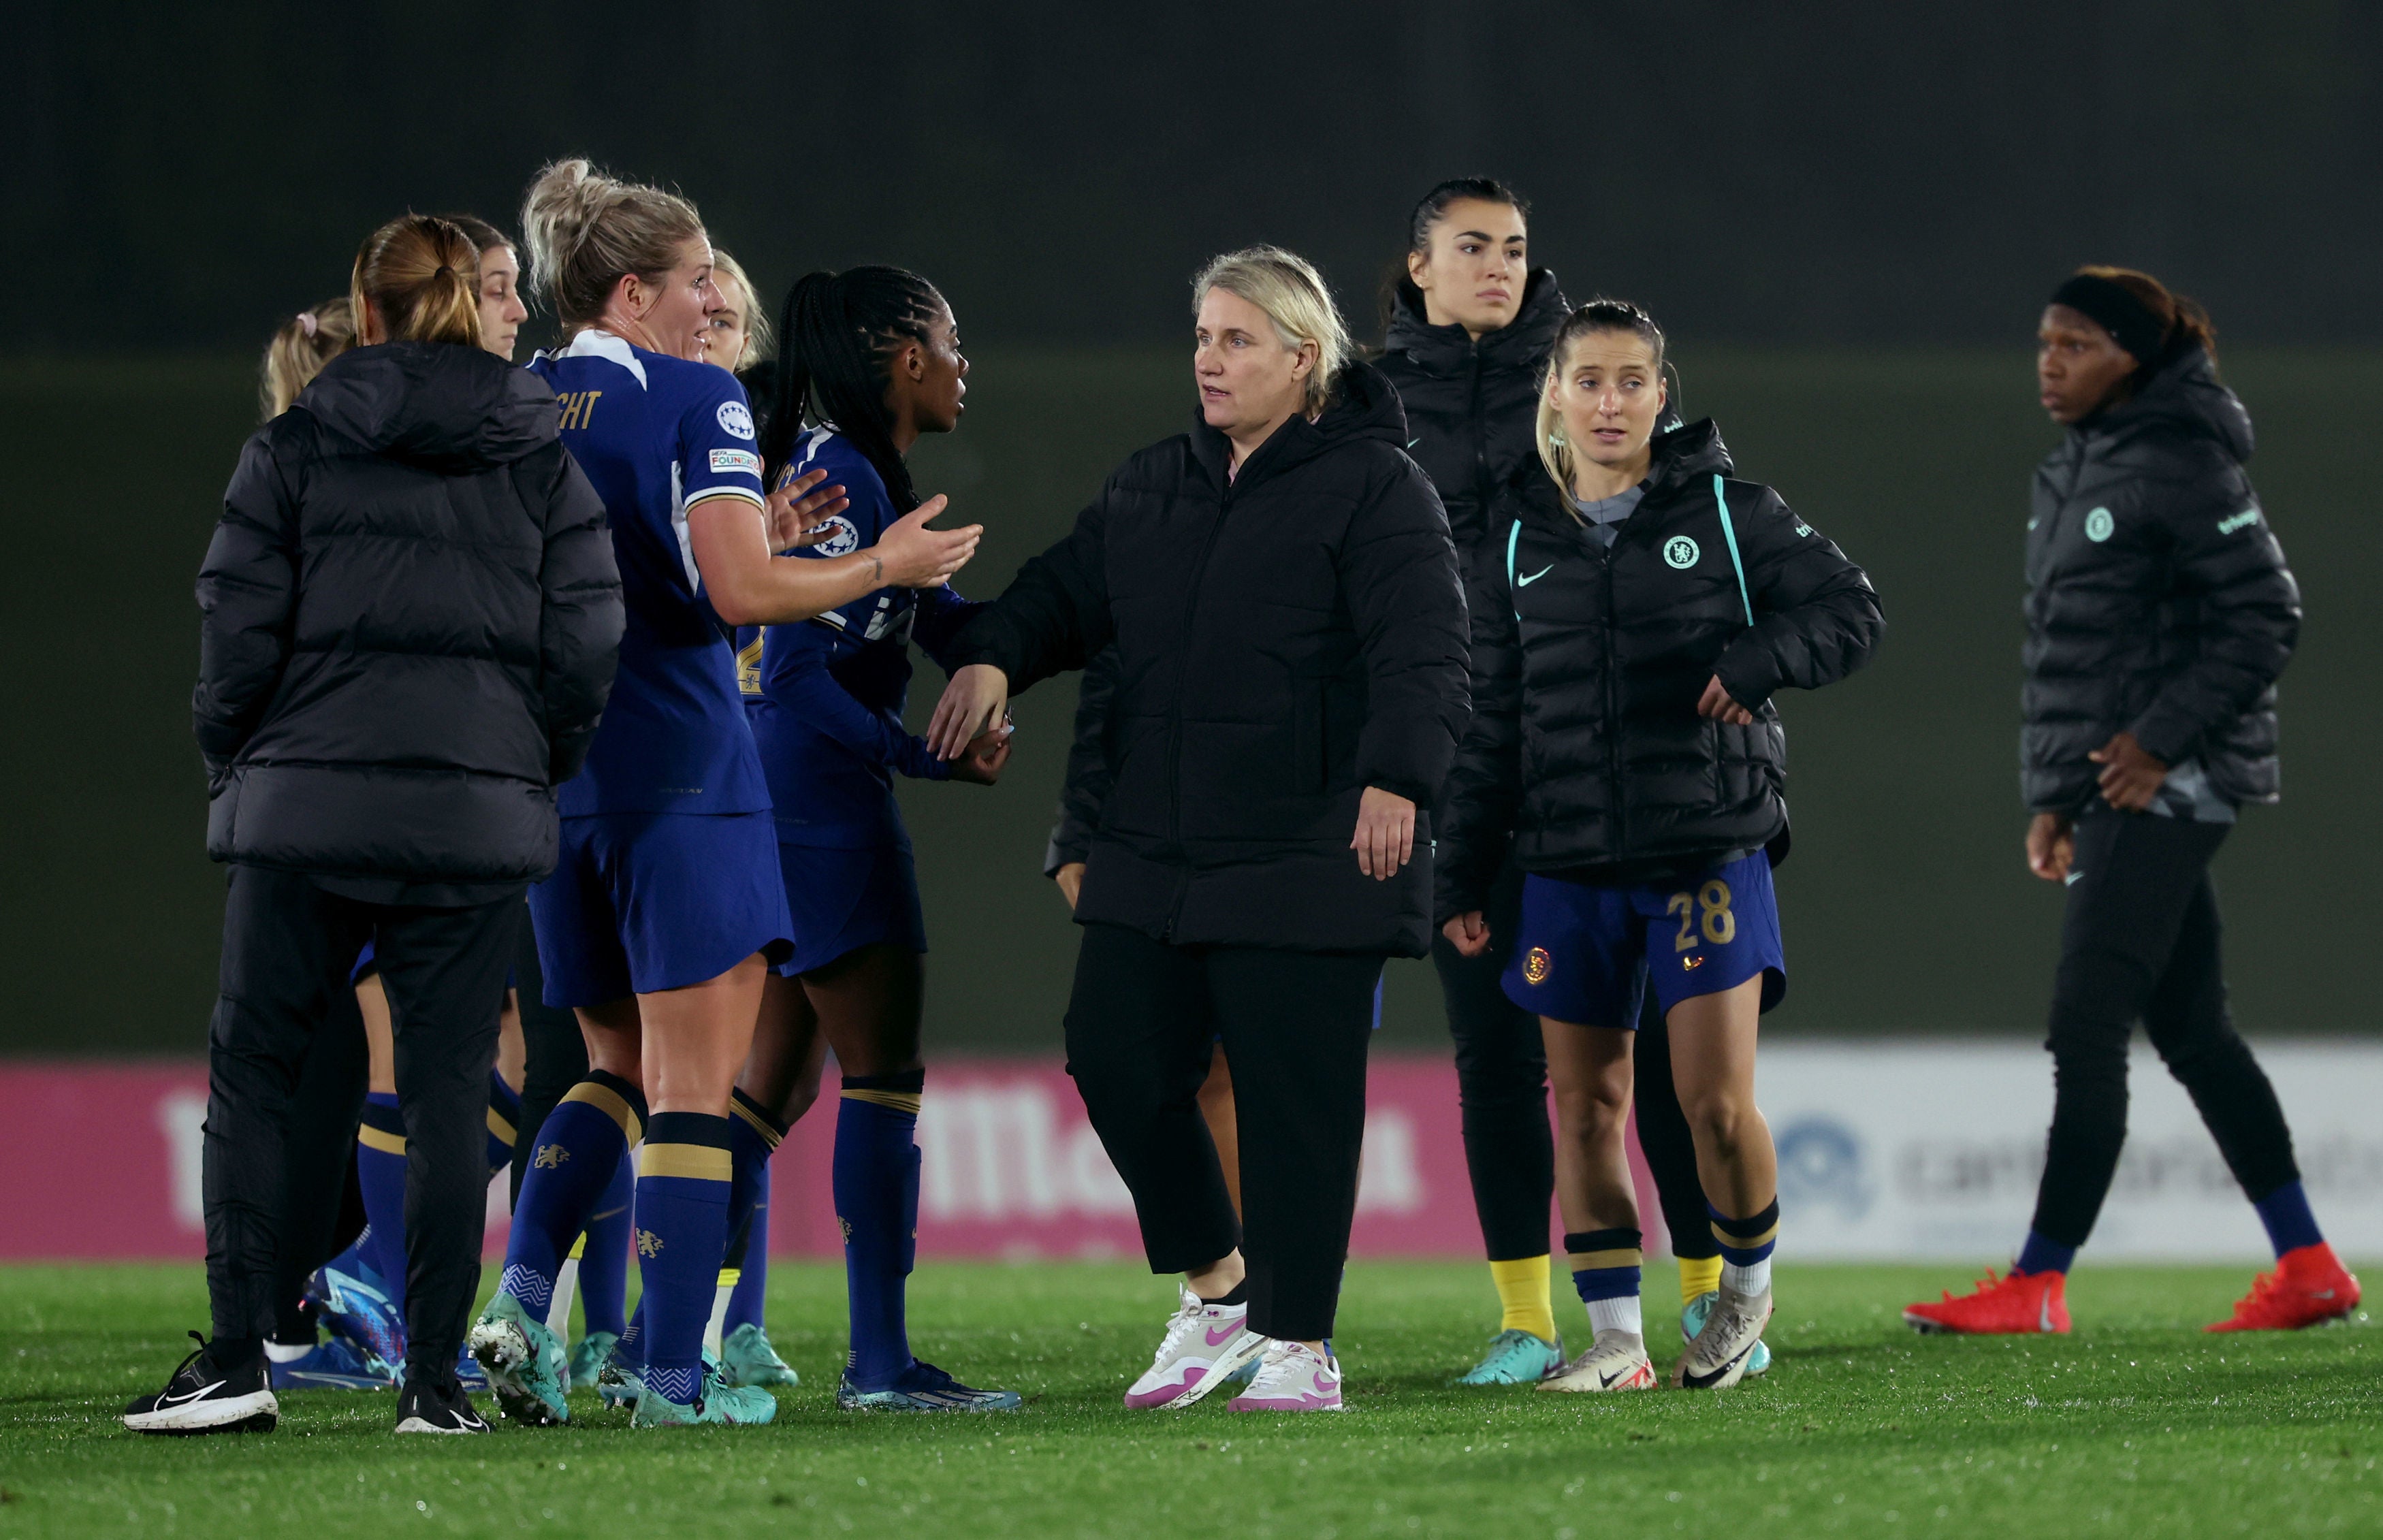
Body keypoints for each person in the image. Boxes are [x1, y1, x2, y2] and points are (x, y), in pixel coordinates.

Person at [468, 159, 980, 1432]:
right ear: (634, 290)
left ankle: (524, 1298)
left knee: (612, 1062)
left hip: (557, 791)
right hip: (686, 776)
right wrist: (884, 560)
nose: (715, 304)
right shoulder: (696, 398)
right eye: (700, 281)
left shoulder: (510, 402)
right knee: (697, 1084)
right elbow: (741, 597)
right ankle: (669, 1372)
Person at [927, 246, 1469, 1413]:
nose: (1209, 361)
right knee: (1113, 1056)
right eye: (1202, 339)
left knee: (1297, 1101)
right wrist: (988, 654)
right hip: (1161, 850)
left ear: (1304, 359)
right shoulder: (1152, 484)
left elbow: (1424, 651)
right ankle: (1221, 1291)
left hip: (1309, 843)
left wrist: (1397, 780)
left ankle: (1299, 1343)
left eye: (1236, 341)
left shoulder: (1379, 487)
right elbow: (1060, 594)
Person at [129, 213, 626, 1438]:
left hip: (303, 816)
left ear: (370, 308)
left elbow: (233, 636)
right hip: (468, 820)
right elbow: (588, 645)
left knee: (253, 1075)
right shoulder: (540, 458)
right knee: (453, 1091)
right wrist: (525, 768)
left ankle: (240, 1357)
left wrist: (238, 765)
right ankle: (433, 1387)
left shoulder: (293, 449)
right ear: (468, 305)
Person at [1904, 268, 2359, 1337]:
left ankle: (2038, 1281)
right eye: (2043, 344)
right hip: (2118, 789)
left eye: (2075, 344)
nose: (2050, 364)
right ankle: (2309, 1265)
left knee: (2087, 1025)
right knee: (2195, 1031)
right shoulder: (2080, 467)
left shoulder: (2183, 460)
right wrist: (2059, 796)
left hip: (2173, 783)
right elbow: (2082, 660)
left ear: (2134, 358)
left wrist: (2158, 743)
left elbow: (2266, 616)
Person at [1438, 299, 1881, 1393]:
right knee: (1586, 1107)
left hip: (1705, 851)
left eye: (1632, 380)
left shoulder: (1729, 510)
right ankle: (1618, 1344)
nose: (1609, 401)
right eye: (1587, 379)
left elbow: (1849, 607)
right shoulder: (1509, 533)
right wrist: (1463, 869)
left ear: (1660, 394)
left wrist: (1758, 659)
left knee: (1712, 1106)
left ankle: (1743, 1293)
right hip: (1565, 860)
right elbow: (1493, 714)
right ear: (1554, 393)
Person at [712, 263, 1023, 1413]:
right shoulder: (842, 471)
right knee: (883, 1078)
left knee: (764, 1096)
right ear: (903, 358)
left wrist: (1008, 642)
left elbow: (910, 611)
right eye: (950, 340)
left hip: (771, 805)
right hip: (824, 813)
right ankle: (882, 1364)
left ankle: (668, 1331)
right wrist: (921, 755)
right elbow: (796, 674)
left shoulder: (841, 459)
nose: (961, 362)